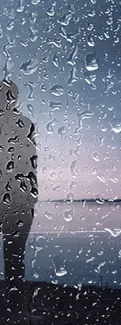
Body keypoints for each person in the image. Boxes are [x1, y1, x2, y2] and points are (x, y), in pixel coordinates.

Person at [0, 79, 38, 324]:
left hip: (17, 199)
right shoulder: (26, 124)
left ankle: (15, 310)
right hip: (21, 200)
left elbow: (30, 166)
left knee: (14, 260)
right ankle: (15, 310)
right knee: (15, 260)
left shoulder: (25, 124)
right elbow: (32, 168)